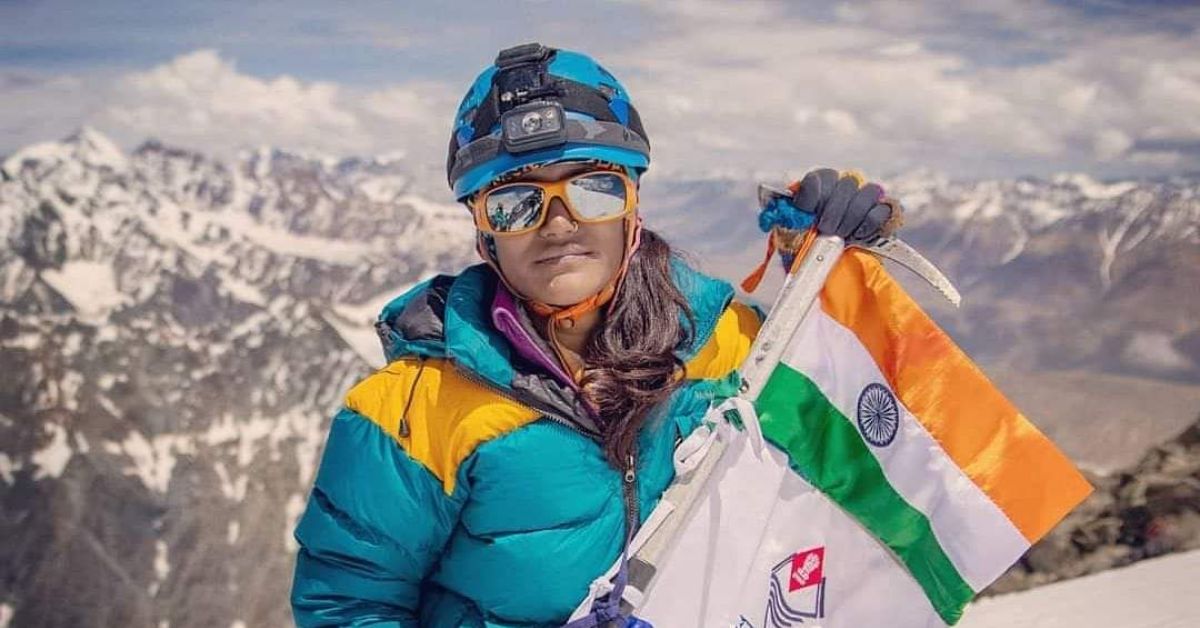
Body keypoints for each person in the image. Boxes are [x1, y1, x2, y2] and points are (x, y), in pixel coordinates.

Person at [290, 42, 899, 627]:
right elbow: (348, 607)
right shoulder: (410, 412)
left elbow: (854, 436)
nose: (558, 223)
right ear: (484, 233)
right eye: (514, 202)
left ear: (633, 205)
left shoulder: (730, 345)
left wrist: (828, 274)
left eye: (594, 188)